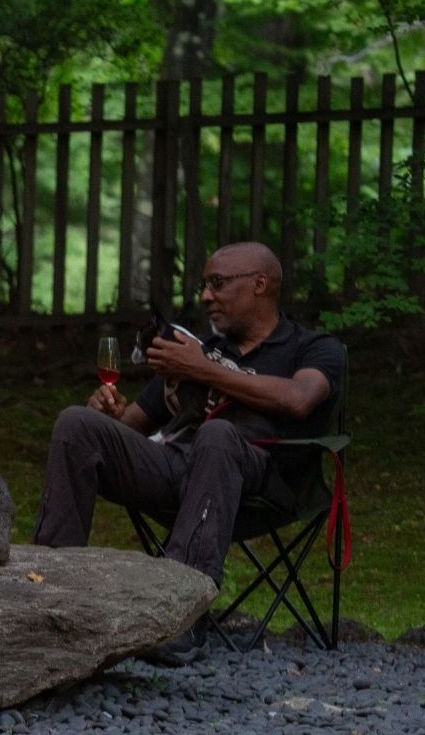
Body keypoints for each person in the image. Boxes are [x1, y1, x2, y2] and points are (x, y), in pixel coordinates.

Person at [33, 242, 344, 660]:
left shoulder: (312, 347)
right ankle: (49, 597)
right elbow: (128, 430)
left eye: (217, 284)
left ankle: (177, 615)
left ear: (259, 284)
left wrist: (204, 370)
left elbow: (299, 398)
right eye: (203, 285)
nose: (205, 296)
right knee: (77, 425)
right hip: (177, 472)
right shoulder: (200, 354)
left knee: (217, 437)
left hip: (262, 483)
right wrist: (106, 413)